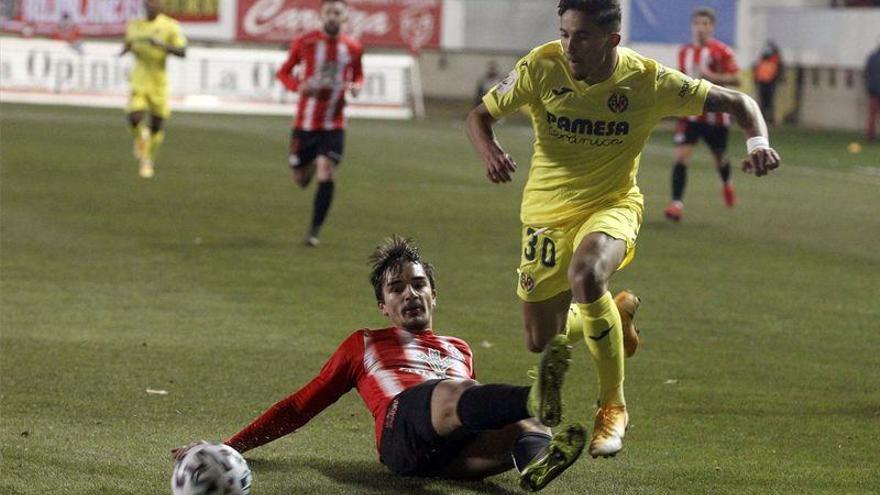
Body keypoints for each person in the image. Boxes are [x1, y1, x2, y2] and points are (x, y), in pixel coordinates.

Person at [465, 0, 780, 459]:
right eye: (564, 33)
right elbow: (478, 117)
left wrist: (758, 143)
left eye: (583, 36)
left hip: (612, 205)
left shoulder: (647, 80)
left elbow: (738, 101)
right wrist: (489, 152)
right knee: (541, 340)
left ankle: (612, 407)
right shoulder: (540, 66)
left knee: (587, 274)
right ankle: (615, 313)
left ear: (612, 39)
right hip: (545, 213)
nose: (569, 45)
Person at [172, 236, 587, 492]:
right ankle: (535, 396)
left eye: (419, 284)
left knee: (529, 427)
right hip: (400, 433)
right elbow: (300, 406)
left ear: (434, 294)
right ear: (383, 306)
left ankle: (536, 463)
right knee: (456, 393)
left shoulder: (459, 348)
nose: (410, 294)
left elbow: (471, 413)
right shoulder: (364, 344)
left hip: (445, 454)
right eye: (397, 288)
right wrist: (228, 446)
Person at [276, 0, 364, 247]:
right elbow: (283, 72)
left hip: (334, 123)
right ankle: (315, 159)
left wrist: (357, 86)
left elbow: (358, 73)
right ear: (321, 15)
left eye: (338, 13)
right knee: (301, 180)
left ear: (344, 17)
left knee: (327, 171)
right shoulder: (305, 42)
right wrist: (298, 86)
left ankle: (314, 231)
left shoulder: (353, 47)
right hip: (305, 123)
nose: (333, 17)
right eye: (329, 13)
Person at [665, 6, 741, 221]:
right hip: (690, 116)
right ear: (692, 26)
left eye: (706, 24)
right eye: (698, 24)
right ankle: (676, 205)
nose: (701, 28)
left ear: (712, 27)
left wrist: (713, 76)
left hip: (716, 116)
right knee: (681, 157)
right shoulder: (684, 52)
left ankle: (727, 184)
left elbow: (737, 79)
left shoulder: (723, 51)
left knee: (720, 157)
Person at [120, 0, 186, 179]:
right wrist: (126, 49)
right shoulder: (135, 26)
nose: (152, 5)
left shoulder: (170, 26)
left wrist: (162, 45)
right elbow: (127, 45)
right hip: (139, 78)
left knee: (157, 124)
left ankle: (148, 159)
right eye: (149, 3)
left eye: (155, 3)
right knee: (134, 118)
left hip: (159, 81)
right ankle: (141, 137)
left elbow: (182, 52)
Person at [753, 41, 783, 125]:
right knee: (763, 102)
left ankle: (770, 119)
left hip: (770, 83)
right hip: (762, 83)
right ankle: (762, 119)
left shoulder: (774, 60)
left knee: (769, 102)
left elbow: (778, 70)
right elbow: (757, 71)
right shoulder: (762, 60)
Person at [865, 43, 880, 142]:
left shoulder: (872, 57)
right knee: (872, 116)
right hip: (875, 89)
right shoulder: (872, 57)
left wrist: (869, 87)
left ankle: (871, 137)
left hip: (873, 91)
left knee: (872, 116)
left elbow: (867, 73)